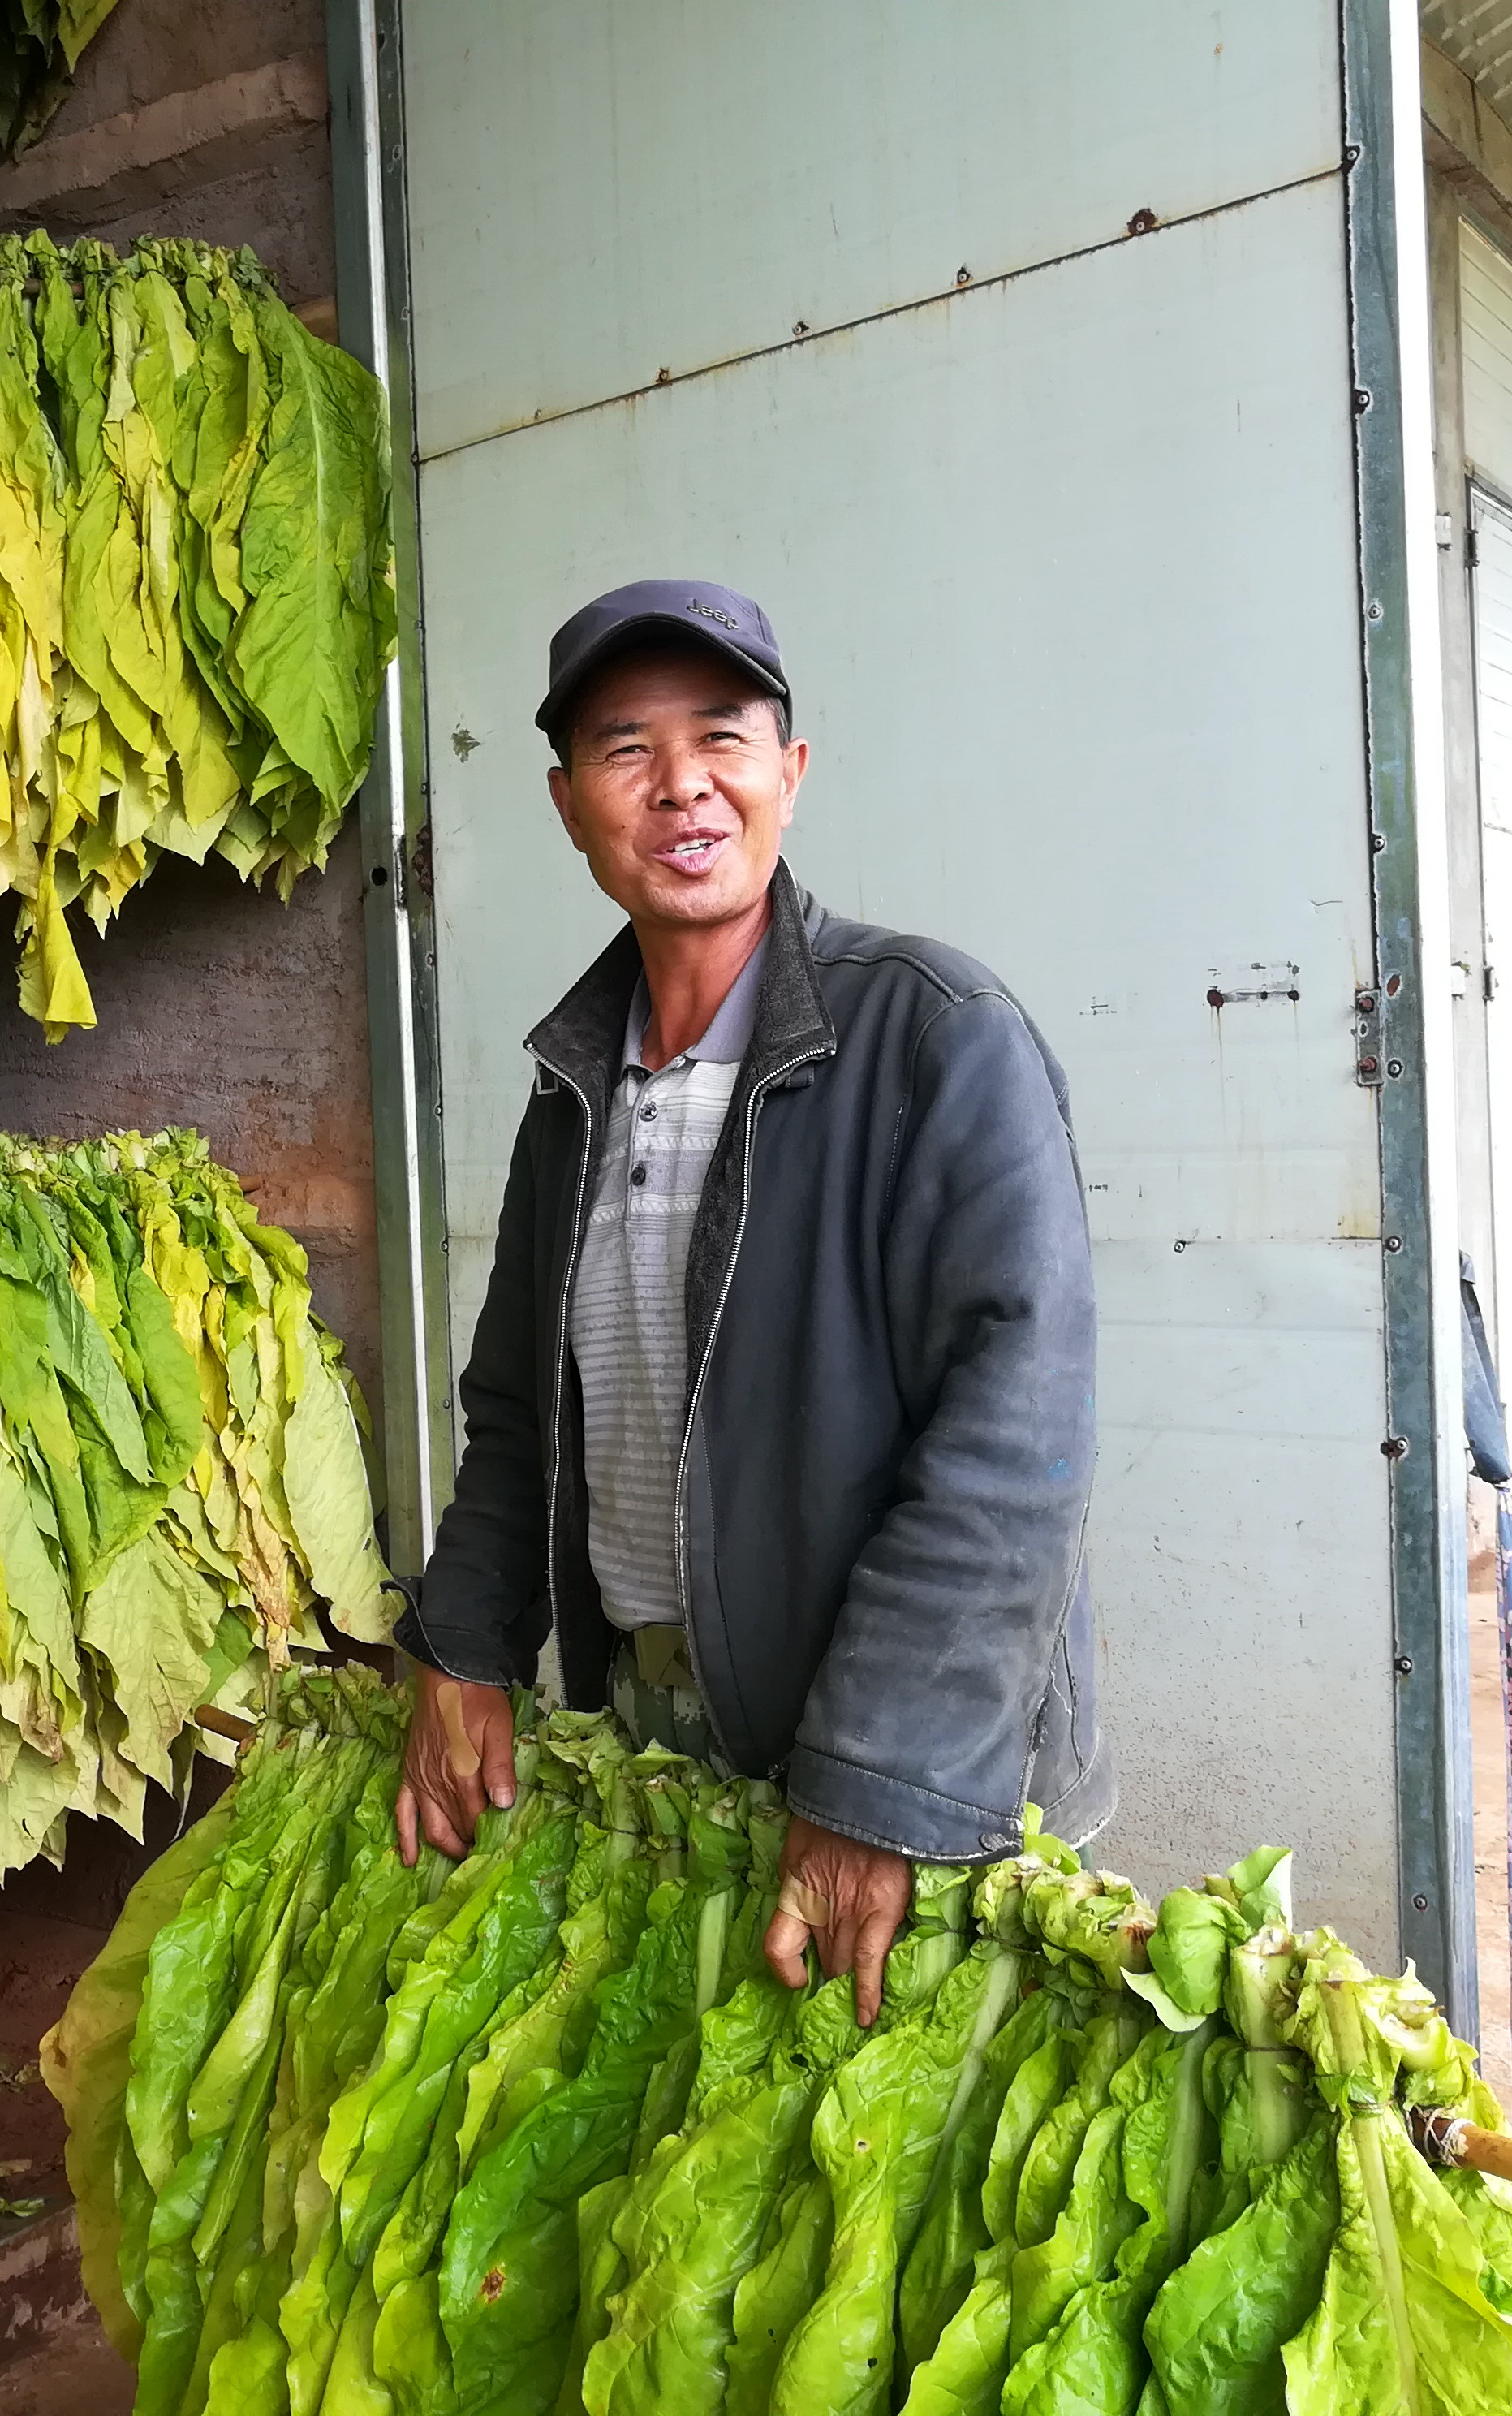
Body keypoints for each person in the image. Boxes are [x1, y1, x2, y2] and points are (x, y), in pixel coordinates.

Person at [390, 579, 1109, 2024]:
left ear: (790, 771)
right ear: (567, 802)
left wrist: (878, 1779)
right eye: (625, 749)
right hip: (661, 1736)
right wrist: (462, 1648)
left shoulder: (937, 1038)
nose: (681, 785)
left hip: (905, 1774)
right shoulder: (573, 1091)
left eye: (723, 735)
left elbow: (1012, 1442)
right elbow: (521, 1414)